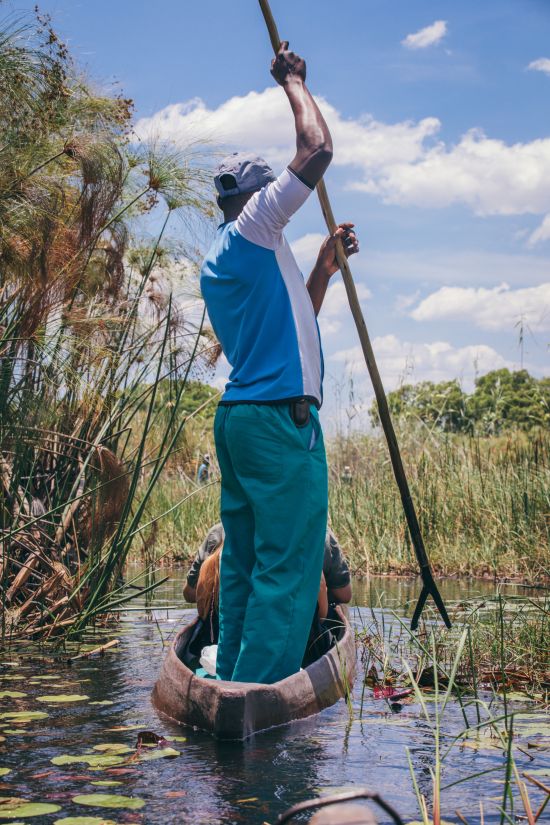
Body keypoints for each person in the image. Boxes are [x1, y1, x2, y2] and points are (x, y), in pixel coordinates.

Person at [200, 42, 358, 684]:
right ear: (259, 198)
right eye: (276, 195)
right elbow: (318, 150)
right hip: (277, 425)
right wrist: (294, 81)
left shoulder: (231, 257)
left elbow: (294, 332)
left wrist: (321, 269)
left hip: (243, 419)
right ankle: (258, 698)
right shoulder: (257, 229)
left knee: (241, 561)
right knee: (288, 567)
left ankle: (230, 678)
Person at [184, 524, 352, 667]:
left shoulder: (220, 539)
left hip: (230, 639)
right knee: (334, 611)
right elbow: (342, 597)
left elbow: (192, 596)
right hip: (294, 644)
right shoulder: (313, 536)